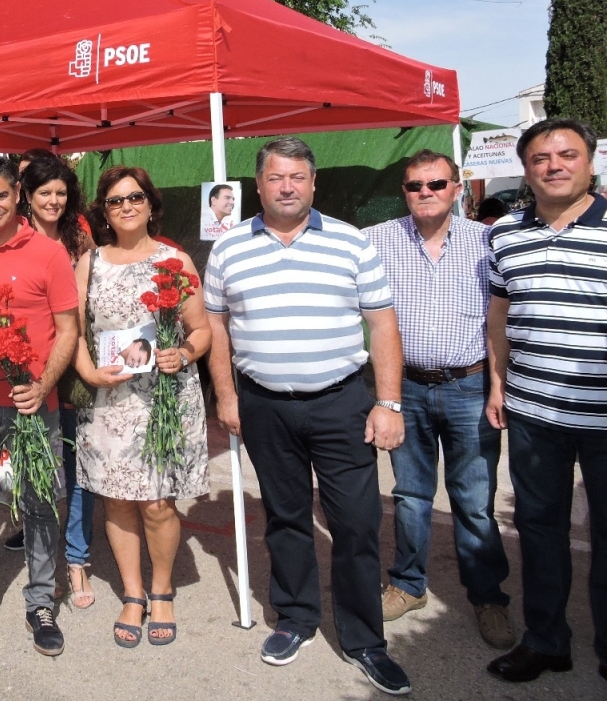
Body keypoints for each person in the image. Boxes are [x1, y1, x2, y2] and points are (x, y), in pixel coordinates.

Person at [205, 137, 411, 695]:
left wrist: (388, 403)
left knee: (355, 523)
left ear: (313, 184)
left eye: (297, 177)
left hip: (341, 403)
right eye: (276, 178)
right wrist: (226, 397)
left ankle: (366, 639)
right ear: (259, 184)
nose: (287, 187)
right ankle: (296, 619)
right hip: (265, 405)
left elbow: (384, 325)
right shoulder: (228, 250)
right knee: (286, 519)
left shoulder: (351, 242)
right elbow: (217, 328)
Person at [364, 150, 513, 649]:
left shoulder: (488, 241)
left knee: (474, 499)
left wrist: (498, 383)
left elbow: (501, 320)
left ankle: (487, 595)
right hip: (404, 385)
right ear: (403, 191)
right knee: (410, 495)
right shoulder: (377, 240)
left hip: (468, 386)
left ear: (455, 188)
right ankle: (409, 585)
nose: (425, 193)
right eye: (414, 186)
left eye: (436, 184)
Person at [484, 118, 607, 684]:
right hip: (535, 413)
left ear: (589, 161)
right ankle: (546, 640)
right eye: (540, 158)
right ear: (526, 168)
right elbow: (500, 318)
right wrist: (498, 383)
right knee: (538, 529)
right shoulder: (504, 235)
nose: (554, 165)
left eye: (566, 154)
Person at [74, 166, 210, 648]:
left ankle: (162, 589)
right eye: (115, 201)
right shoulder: (90, 263)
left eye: (134, 198)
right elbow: (74, 332)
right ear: (104, 212)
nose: (126, 206)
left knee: (157, 502)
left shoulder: (176, 261)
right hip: (110, 398)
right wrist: (87, 372)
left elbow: (201, 330)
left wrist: (185, 352)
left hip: (164, 400)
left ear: (151, 204)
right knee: (117, 500)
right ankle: (133, 593)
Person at [0, 156, 79, 656]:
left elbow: (68, 330)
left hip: (33, 402)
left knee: (40, 500)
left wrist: (42, 382)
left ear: (18, 194)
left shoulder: (48, 253)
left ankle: (41, 600)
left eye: (0, 196)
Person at [4, 157, 99, 610]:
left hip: (74, 368)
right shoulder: (13, 235)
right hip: (26, 372)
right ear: (27, 194)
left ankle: (76, 559)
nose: (54, 201)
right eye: (45, 193)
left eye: (61, 192)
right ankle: (45, 561)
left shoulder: (80, 236)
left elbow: (87, 307)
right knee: (37, 470)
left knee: (75, 468)